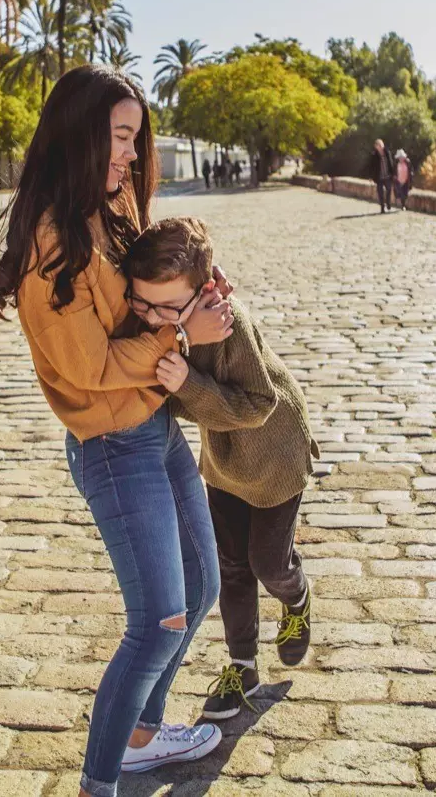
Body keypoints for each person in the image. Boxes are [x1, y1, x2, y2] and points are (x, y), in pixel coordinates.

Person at [0, 65, 232, 797]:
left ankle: (142, 741)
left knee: (204, 586)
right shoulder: (49, 243)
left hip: (154, 426)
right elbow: (92, 368)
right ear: (83, 134)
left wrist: (194, 290)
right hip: (112, 449)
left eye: (134, 138)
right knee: (157, 618)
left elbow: (149, 294)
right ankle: (100, 781)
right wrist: (182, 328)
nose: (130, 153)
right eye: (120, 137)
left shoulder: (111, 207)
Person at [123, 218, 318, 721]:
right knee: (232, 567)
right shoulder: (171, 321)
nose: (150, 318)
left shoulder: (230, 326)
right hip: (226, 464)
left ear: (204, 292)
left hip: (275, 458)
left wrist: (186, 383)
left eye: (164, 308)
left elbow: (258, 404)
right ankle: (242, 667)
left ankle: (296, 597)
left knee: (267, 564)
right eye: (141, 304)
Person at [368, 138, 394, 212]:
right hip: (379, 177)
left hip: (387, 176)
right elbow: (371, 166)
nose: (380, 146)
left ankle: (388, 203)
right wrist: (370, 176)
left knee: (389, 190)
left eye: (381, 145)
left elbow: (391, 164)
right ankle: (382, 207)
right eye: (378, 145)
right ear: (376, 147)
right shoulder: (374, 155)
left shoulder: (387, 153)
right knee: (380, 193)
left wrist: (393, 173)